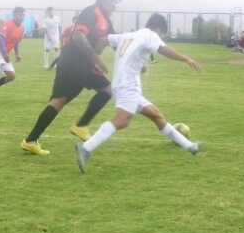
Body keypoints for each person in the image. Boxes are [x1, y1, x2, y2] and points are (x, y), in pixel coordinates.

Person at [74, 13, 202, 173]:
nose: (161, 37)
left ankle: (190, 146)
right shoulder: (150, 34)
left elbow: (102, 40)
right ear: (159, 29)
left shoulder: (129, 35)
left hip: (120, 83)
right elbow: (163, 49)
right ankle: (86, 147)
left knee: (156, 115)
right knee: (122, 121)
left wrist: (95, 61)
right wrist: (187, 59)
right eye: (162, 34)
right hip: (129, 85)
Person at [21, 0, 122, 156]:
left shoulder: (107, 21)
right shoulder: (91, 12)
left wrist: (134, 58)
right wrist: (95, 58)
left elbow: (115, 42)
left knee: (58, 102)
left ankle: (30, 140)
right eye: (115, 2)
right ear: (106, 0)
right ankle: (81, 126)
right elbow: (78, 36)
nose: (115, 7)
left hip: (70, 63)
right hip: (77, 62)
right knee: (107, 90)